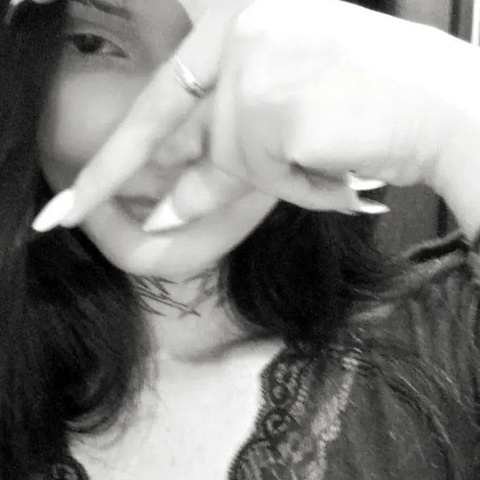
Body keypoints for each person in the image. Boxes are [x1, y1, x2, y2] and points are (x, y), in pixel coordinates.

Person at [1, 0, 480, 478]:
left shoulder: (446, 346)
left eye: (235, 56)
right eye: (91, 44)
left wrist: (455, 121)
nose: (167, 147)